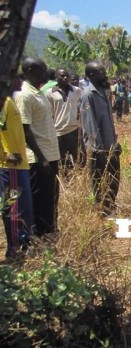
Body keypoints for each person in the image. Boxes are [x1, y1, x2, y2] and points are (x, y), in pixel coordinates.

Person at [15, 58, 61, 237]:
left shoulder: (38, 92)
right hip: (38, 158)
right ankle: (37, 234)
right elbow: (25, 130)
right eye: (43, 69)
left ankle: (48, 229)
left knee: (49, 196)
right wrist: (41, 158)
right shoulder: (24, 95)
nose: (46, 73)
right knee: (39, 197)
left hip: (49, 154)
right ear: (31, 70)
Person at [80, 61, 121, 216]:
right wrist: (99, 150)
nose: (105, 75)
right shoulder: (88, 95)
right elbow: (90, 125)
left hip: (110, 146)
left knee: (114, 178)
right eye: (101, 72)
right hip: (98, 149)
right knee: (98, 180)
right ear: (91, 75)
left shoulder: (104, 92)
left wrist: (115, 144)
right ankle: (101, 211)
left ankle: (109, 206)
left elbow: (108, 121)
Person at [0, 78, 35, 259]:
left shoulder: (10, 100)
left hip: (20, 165)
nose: (20, 80)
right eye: (15, 75)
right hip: (10, 167)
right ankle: (15, 250)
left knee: (24, 209)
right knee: (14, 209)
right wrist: (4, 156)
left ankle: (23, 246)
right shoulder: (4, 103)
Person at [45, 68, 84, 169]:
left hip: (74, 130)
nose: (65, 78)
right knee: (62, 163)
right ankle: (66, 183)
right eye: (62, 76)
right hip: (58, 133)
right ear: (56, 78)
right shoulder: (49, 93)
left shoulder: (77, 91)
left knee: (80, 160)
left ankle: (78, 182)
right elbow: (50, 114)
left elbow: (82, 108)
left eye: (67, 75)